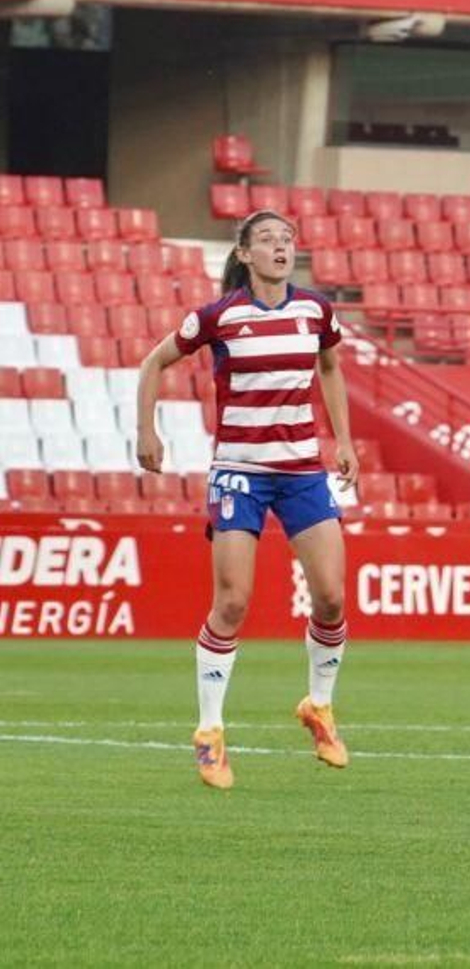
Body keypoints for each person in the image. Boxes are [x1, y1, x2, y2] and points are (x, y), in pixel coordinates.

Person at [136, 209, 358, 790]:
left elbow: (330, 367)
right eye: (267, 239)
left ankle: (319, 706)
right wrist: (146, 431)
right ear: (244, 253)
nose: (280, 247)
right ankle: (209, 731)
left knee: (332, 597)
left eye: (287, 238)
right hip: (240, 472)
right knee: (233, 602)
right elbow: (155, 362)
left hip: (302, 471)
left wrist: (344, 440)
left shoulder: (315, 311)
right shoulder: (220, 316)